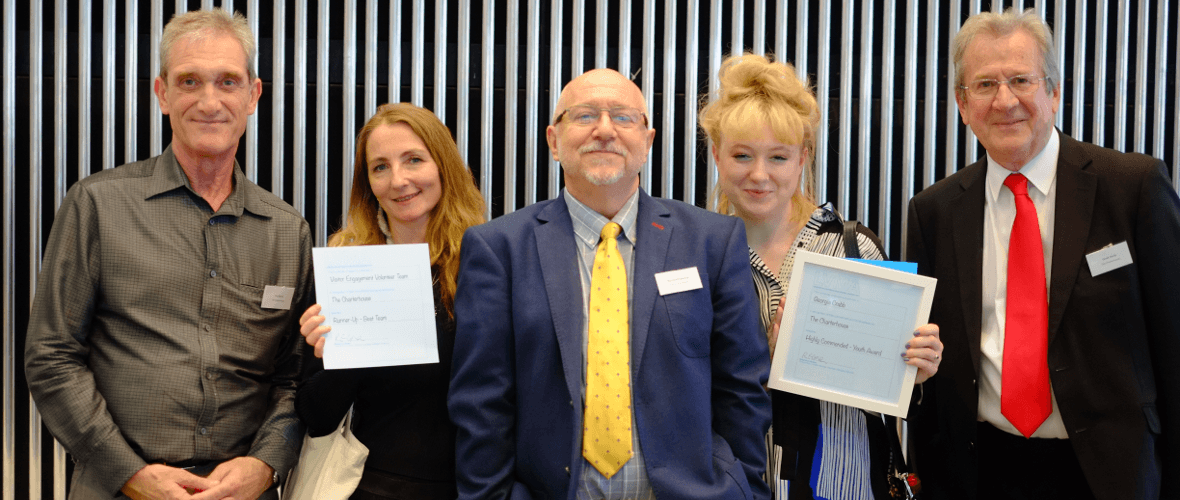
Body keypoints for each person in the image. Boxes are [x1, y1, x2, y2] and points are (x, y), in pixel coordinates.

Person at [24, 9, 309, 500]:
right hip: (117, 489)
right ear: (162, 94)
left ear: (253, 95)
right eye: (190, 81)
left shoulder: (286, 231)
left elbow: (295, 375)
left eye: (227, 81)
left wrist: (266, 464)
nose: (209, 100)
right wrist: (129, 473)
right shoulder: (98, 205)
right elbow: (52, 358)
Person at [448, 68, 772, 499]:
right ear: (553, 141)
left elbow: (741, 389)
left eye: (623, 117)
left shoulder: (712, 242)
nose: (604, 130)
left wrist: (743, 487)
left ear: (648, 141)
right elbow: (480, 405)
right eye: (584, 116)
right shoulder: (498, 249)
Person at [906, 7, 1180, 500]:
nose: (1005, 100)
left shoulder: (1132, 189)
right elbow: (931, 359)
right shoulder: (935, 211)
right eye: (985, 85)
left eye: (1021, 80)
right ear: (962, 105)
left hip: (1109, 474)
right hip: (978, 470)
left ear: (1053, 91)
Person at [699, 53, 942, 500]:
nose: (759, 175)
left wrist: (916, 370)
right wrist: (761, 358)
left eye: (778, 157)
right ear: (717, 154)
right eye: (741, 155)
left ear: (802, 158)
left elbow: (893, 393)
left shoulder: (852, 250)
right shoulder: (694, 255)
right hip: (729, 485)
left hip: (843, 484)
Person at [295, 102, 485, 499]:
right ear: (368, 183)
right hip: (368, 487)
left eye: (413, 160)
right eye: (380, 167)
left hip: (471, 488)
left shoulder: (488, 265)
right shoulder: (347, 270)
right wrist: (338, 354)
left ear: (442, 166)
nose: (398, 180)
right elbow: (316, 417)